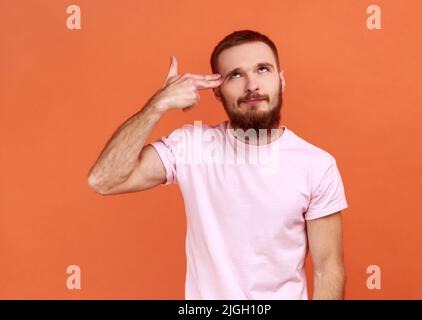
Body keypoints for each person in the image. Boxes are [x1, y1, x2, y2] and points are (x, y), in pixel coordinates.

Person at [87, 30, 349, 300]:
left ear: (280, 80)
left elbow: (328, 268)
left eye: (262, 69)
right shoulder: (192, 146)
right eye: (235, 74)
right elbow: (104, 180)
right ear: (217, 91)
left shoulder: (317, 165)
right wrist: (158, 105)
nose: (251, 85)